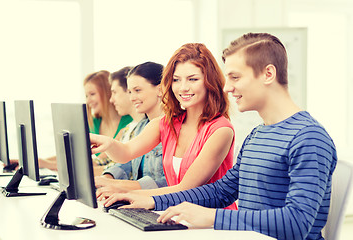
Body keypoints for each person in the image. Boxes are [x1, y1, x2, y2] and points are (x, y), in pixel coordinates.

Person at [103, 33, 337, 240]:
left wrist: (213, 217)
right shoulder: (258, 134)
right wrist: (151, 201)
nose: (226, 87)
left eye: (235, 77)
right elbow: (220, 191)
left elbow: (297, 224)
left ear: (268, 74)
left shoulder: (308, 137)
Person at [92, 43, 237, 210]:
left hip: (211, 223)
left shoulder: (221, 130)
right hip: (176, 214)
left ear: (209, 81)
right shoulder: (165, 124)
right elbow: (125, 153)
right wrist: (106, 143)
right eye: (176, 80)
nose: (183, 87)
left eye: (193, 79)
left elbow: (186, 189)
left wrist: (127, 193)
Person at [39, 70, 133, 171]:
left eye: (92, 94)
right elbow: (71, 154)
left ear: (108, 92)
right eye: (86, 96)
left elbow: (97, 163)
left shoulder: (129, 124)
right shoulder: (93, 123)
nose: (88, 101)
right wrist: (41, 162)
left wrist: (46, 164)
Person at [95, 62, 167, 190]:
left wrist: (118, 185)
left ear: (160, 90)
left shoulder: (175, 128)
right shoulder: (141, 126)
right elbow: (128, 161)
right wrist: (107, 177)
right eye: (130, 92)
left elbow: (168, 183)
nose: (132, 98)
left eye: (137, 90)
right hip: (140, 202)